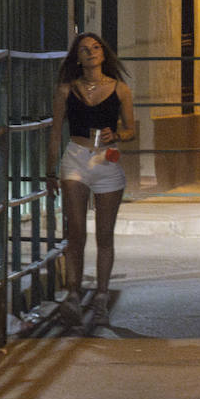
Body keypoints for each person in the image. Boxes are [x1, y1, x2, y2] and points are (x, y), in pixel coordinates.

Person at [47, 32, 137, 328]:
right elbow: (55, 131)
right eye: (84, 49)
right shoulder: (65, 91)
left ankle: (100, 297)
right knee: (75, 231)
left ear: (103, 53)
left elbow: (130, 130)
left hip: (106, 161)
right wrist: (50, 171)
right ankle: (73, 294)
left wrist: (118, 134)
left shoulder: (120, 89)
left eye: (96, 47)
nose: (91, 52)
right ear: (77, 57)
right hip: (75, 158)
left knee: (105, 235)